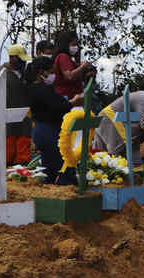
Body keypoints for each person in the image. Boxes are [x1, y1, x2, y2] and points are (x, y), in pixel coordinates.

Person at [27, 56, 83, 184]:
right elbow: (59, 106)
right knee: (60, 166)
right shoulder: (41, 89)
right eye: (51, 72)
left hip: (42, 131)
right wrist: (74, 102)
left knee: (49, 167)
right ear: (41, 72)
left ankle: (50, 188)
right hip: (48, 131)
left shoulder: (34, 88)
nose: (53, 76)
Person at [0, 44, 33, 165]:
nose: (23, 63)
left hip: (24, 118)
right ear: (12, 58)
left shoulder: (26, 74)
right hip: (6, 120)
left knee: (23, 150)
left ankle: (23, 173)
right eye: (21, 60)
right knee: (7, 153)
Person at [53, 31, 90, 98]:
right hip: (67, 98)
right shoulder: (63, 57)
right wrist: (82, 67)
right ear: (65, 44)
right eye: (73, 45)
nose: (76, 47)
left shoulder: (66, 58)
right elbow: (69, 76)